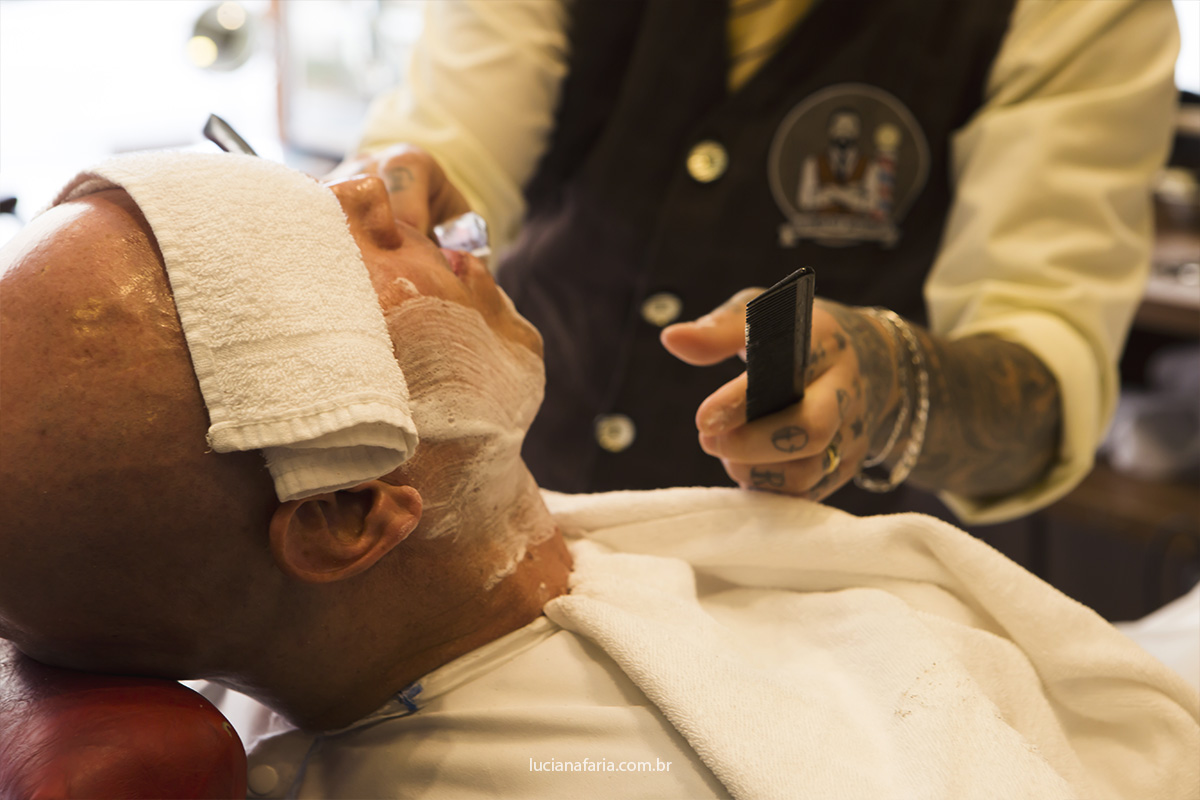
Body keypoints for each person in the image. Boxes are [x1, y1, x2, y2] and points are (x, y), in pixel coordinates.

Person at [0, 153, 1196, 799]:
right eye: (289, 257)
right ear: (347, 512)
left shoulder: (438, 591)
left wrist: (895, 373)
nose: (376, 177)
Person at [340, 0, 1181, 527]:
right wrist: (400, 198)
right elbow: (456, 149)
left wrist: (891, 382)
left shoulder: (1079, 13)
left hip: (799, 597)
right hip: (514, 500)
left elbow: (1040, 381)